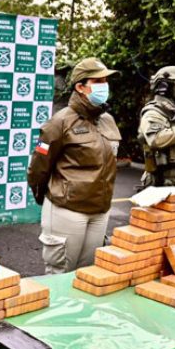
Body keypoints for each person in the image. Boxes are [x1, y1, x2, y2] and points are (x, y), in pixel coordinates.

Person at [27, 58, 121, 274]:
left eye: (106, 81)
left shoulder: (107, 120)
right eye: (98, 81)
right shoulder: (59, 122)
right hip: (68, 210)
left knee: (88, 273)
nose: (104, 86)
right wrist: (48, 198)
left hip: (100, 210)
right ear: (80, 87)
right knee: (60, 272)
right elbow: (38, 169)